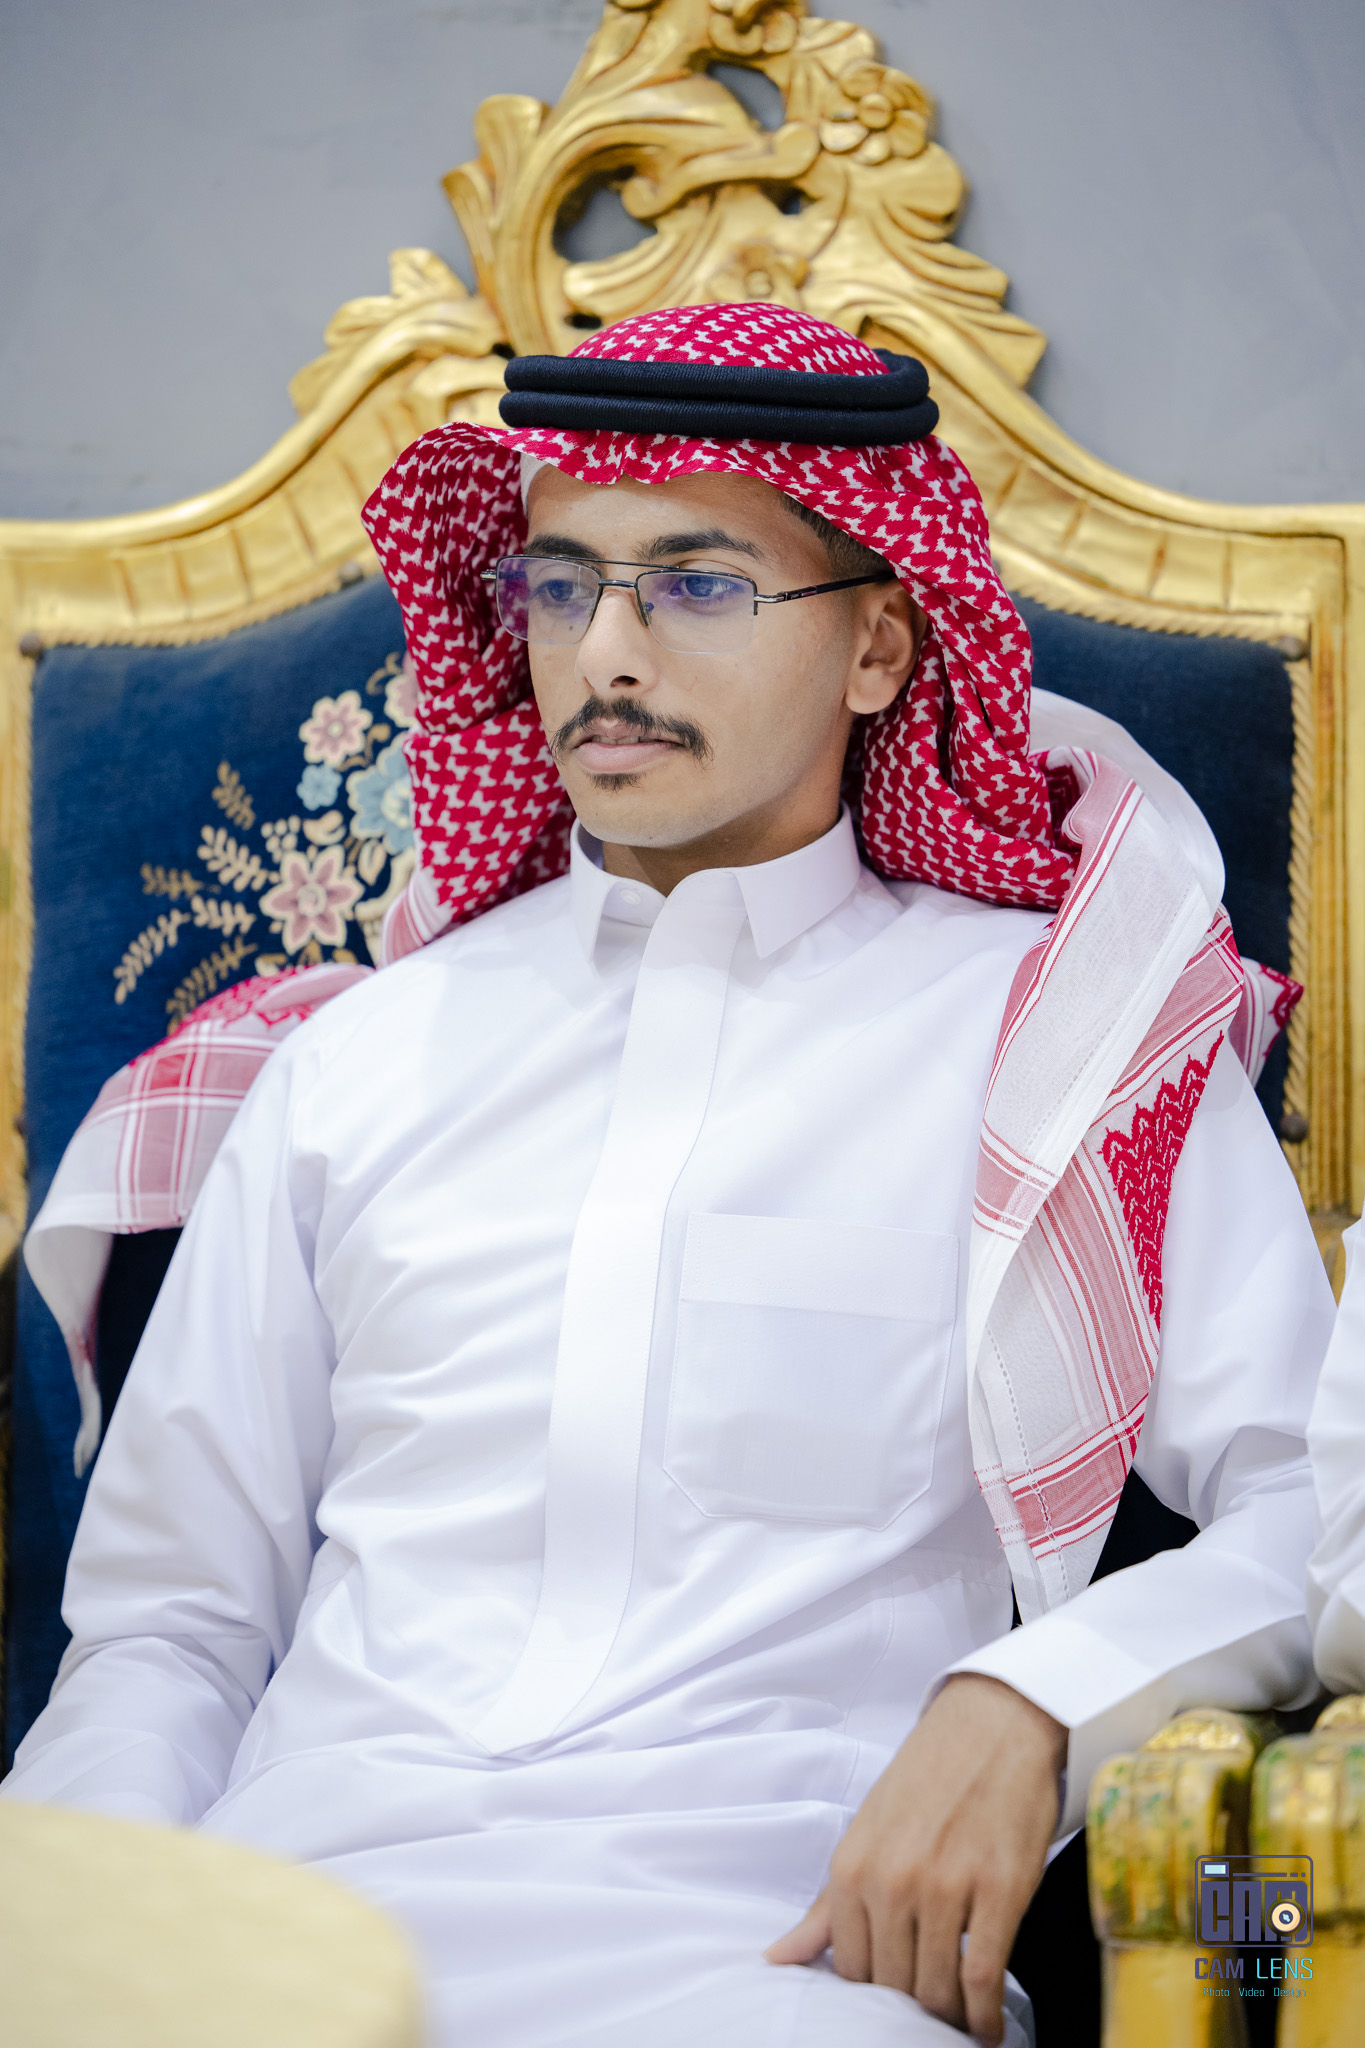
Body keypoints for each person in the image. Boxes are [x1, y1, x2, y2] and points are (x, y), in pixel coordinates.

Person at [4, 304, 1333, 2048]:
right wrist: (90, 1938)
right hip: (295, 1932)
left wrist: (1029, 1701)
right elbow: (169, 1630)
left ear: (876, 647)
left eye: (696, 584)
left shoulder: (1057, 1043)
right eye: (561, 586)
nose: (603, 653)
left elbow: (1315, 1507)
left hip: (773, 1960)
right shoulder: (356, 1064)